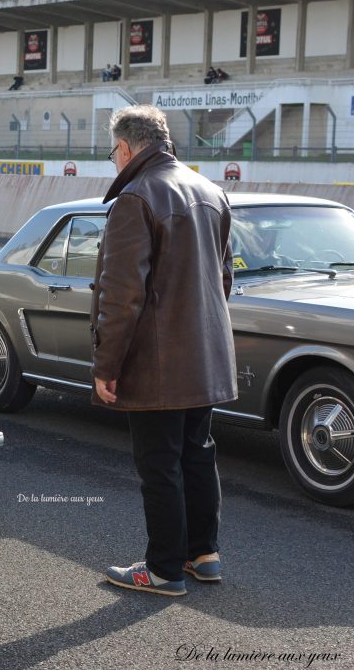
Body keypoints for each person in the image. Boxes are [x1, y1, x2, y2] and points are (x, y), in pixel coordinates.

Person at [93, 105, 236, 597]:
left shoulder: (135, 198)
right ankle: (204, 554)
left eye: (113, 151)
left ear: (128, 148)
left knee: (159, 463)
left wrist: (106, 365)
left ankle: (162, 570)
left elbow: (121, 296)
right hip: (204, 355)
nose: (114, 160)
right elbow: (224, 279)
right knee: (197, 454)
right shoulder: (211, 191)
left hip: (156, 363)